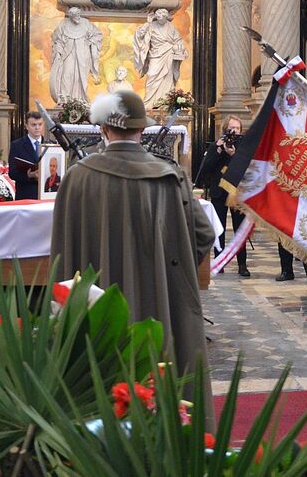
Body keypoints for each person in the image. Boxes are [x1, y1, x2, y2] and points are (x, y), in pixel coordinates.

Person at [50, 90, 215, 410]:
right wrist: (171, 273)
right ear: (142, 130)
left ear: (103, 129)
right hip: (160, 304)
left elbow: (62, 250)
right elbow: (203, 234)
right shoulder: (171, 176)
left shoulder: (77, 177)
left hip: (95, 307)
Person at [196, 115, 250, 277]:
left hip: (236, 193)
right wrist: (218, 150)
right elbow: (205, 168)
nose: (234, 131)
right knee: (219, 229)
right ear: (225, 129)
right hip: (219, 192)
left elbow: (246, 168)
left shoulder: (243, 146)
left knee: (239, 229)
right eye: (231, 128)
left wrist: (233, 154)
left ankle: (242, 264)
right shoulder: (216, 145)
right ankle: (220, 261)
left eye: (237, 129)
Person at [133, 9, 188, 108]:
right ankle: (149, 103)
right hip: (155, 55)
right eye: (158, 17)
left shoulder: (171, 27)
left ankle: (165, 102)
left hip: (168, 54)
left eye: (162, 17)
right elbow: (140, 35)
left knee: (167, 77)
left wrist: (179, 47)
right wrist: (148, 23)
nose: (160, 19)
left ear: (166, 17)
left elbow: (178, 40)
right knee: (151, 75)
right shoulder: (151, 25)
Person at [49, 7, 103, 102]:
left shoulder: (86, 24)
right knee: (66, 75)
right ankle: (65, 101)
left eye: (78, 15)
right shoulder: (64, 24)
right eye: (74, 16)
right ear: (70, 16)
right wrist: (58, 53)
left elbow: (98, 35)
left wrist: (89, 43)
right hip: (68, 54)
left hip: (83, 55)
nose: (77, 18)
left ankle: (79, 100)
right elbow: (58, 40)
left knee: (80, 78)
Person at [9, 111, 45, 200]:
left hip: (45, 196)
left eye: (40, 124)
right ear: (26, 126)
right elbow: (12, 173)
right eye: (33, 125)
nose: (37, 128)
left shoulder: (50, 145)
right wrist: (29, 175)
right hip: (26, 195)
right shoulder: (17, 145)